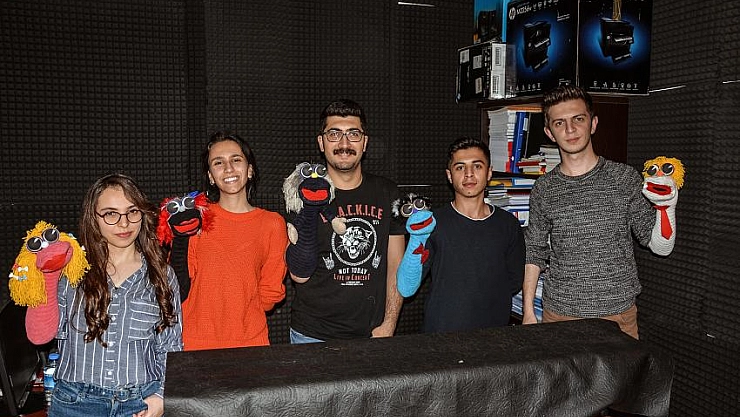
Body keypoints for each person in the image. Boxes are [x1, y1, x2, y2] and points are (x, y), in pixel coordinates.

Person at [522, 85, 672, 339]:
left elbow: (658, 244)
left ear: (593, 124)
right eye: (559, 123)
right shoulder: (543, 189)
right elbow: (534, 252)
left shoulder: (624, 178)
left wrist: (667, 207)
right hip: (559, 317)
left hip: (617, 317)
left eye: (578, 119)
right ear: (549, 133)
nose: (570, 129)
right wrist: (528, 311)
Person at [39, 173, 182, 417]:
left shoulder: (162, 274)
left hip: (140, 403)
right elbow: (43, 333)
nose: (124, 224)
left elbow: (171, 346)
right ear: (93, 218)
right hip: (76, 403)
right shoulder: (71, 271)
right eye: (111, 214)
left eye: (132, 212)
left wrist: (161, 395)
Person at [288, 99, 406, 343]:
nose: (344, 143)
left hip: (373, 335)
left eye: (353, 134)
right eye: (334, 134)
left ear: (365, 142)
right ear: (321, 143)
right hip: (312, 335)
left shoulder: (387, 193)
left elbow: (397, 265)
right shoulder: (303, 194)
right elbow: (299, 275)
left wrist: (389, 324)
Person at [398, 137, 525, 333]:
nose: (469, 174)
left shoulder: (508, 224)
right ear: (449, 175)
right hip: (441, 335)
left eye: (477, 166)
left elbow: (515, 281)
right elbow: (407, 287)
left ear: (489, 172)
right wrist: (417, 239)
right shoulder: (432, 223)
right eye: (460, 167)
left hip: (495, 336)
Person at [181, 131, 288, 350]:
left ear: (250, 169)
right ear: (211, 176)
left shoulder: (272, 224)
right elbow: (181, 281)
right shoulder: (194, 219)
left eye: (236, 160)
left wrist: (244, 315)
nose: (228, 168)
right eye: (218, 162)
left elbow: (271, 292)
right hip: (195, 342)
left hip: (251, 342)